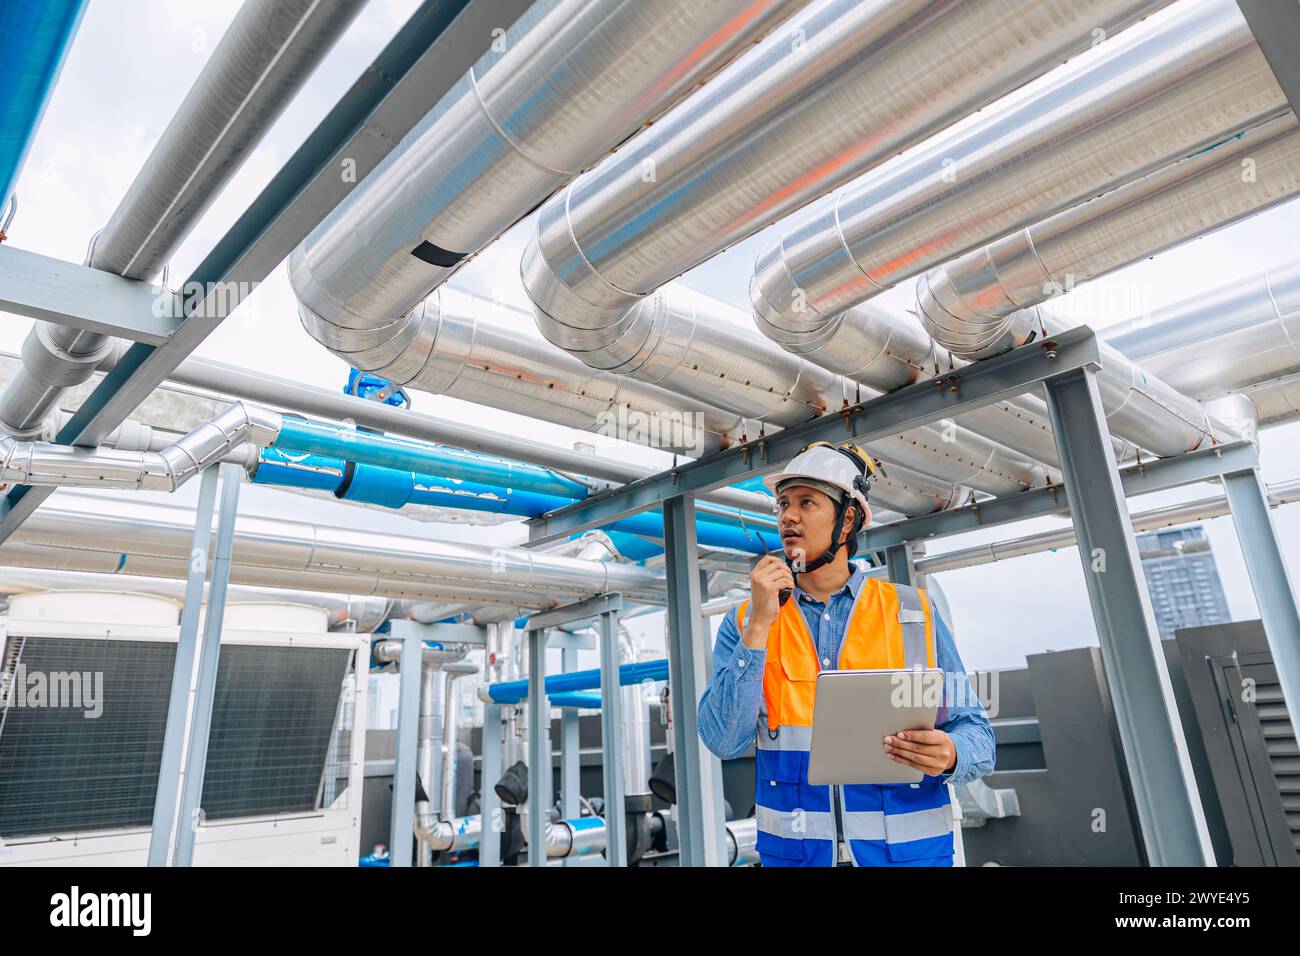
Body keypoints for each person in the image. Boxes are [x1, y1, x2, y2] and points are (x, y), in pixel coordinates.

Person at [697, 440, 995, 867]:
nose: (788, 516)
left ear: (847, 518)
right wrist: (759, 626)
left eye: (807, 502)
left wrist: (950, 753)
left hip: (909, 857)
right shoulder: (746, 621)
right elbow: (722, 740)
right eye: (782, 503)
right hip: (796, 857)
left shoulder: (912, 612)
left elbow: (978, 736)